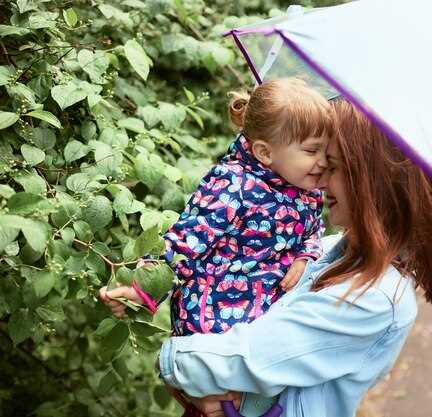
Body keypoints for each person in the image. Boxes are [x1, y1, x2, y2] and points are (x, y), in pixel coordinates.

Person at [156, 99, 432, 416]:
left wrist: (174, 364)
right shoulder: (330, 250)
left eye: (334, 167)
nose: (322, 180)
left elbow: (245, 359)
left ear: (372, 183)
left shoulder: (376, 298)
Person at [99, 78, 333, 416]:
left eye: (326, 150)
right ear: (265, 152)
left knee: (260, 385)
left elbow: (314, 230)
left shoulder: (308, 189)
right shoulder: (233, 183)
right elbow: (186, 242)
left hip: (264, 311)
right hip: (217, 309)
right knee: (221, 394)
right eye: (312, 151)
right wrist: (142, 287)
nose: (323, 161)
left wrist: (305, 255)